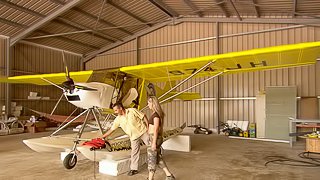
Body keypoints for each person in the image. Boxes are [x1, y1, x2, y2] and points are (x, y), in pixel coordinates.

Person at [102, 102, 150, 176]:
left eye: (116, 110)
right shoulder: (118, 119)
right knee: (134, 152)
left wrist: (148, 128)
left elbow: (143, 116)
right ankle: (134, 169)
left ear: (120, 108)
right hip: (133, 136)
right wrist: (103, 136)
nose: (115, 112)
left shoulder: (132, 111)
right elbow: (112, 129)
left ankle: (158, 159)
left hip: (142, 131)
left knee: (151, 146)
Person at [147, 96, 175, 180]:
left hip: (154, 138)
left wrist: (153, 143)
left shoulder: (156, 115)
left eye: (149, 102)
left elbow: (155, 129)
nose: (148, 104)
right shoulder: (155, 114)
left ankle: (150, 178)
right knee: (158, 158)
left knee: (151, 159)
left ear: (153, 103)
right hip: (153, 137)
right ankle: (169, 175)